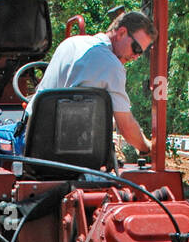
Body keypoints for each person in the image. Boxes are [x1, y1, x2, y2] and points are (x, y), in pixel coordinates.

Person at [26, 10, 155, 155]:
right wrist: (147, 148)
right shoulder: (112, 66)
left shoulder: (69, 43)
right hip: (66, 155)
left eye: (140, 53)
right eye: (136, 48)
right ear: (121, 33)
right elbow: (125, 126)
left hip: (29, 144)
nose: (136, 56)